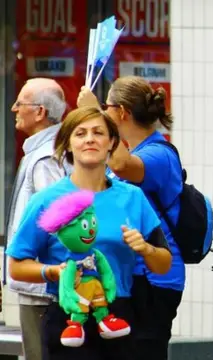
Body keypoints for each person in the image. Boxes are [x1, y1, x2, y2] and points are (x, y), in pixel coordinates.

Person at [6, 106, 173, 360]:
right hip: (68, 315)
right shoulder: (47, 200)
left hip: (119, 314)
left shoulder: (132, 197)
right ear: (68, 145)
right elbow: (16, 265)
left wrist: (146, 249)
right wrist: (52, 271)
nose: (90, 139)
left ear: (111, 143)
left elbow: (164, 263)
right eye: (80, 133)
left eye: (98, 133)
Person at [77, 76, 184, 359]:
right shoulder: (134, 151)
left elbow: (124, 166)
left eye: (106, 107)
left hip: (154, 279)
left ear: (121, 112)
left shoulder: (159, 154)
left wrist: (95, 115)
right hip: (131, 275)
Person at [5, 78, 68, 360]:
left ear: (40, 112)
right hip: (45, 283)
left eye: (20, 103)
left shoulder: (45, 158)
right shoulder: (46, 151)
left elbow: (59, 220)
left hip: (42, 289)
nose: (13, 108)